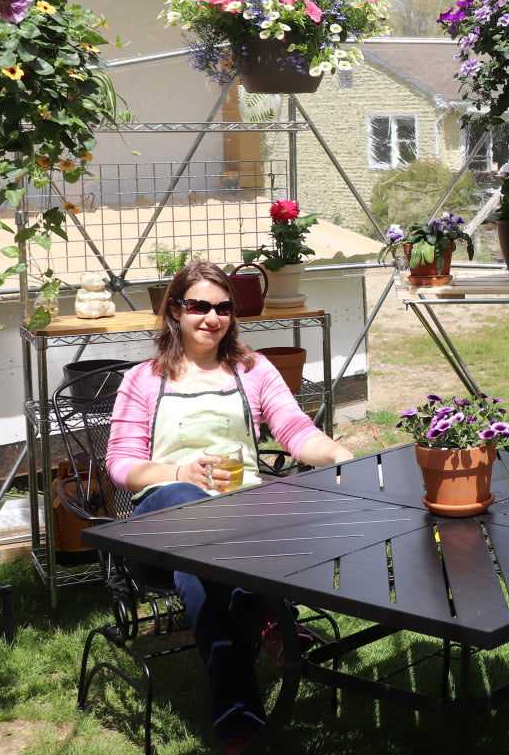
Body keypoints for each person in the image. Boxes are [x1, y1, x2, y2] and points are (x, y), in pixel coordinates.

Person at [106, 259, 353, 754]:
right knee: (187, 505)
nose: (211, 317)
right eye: (198, 305)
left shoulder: (253, 369)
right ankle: (266, 616)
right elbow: (121, 465)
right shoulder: (143, 379)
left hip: (242, 524)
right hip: (160, 522)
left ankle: (239, 725)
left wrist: (337, 454)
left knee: (198, 573)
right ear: (175, 311)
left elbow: (295, 430)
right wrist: (178, 473)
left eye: (222, 308)